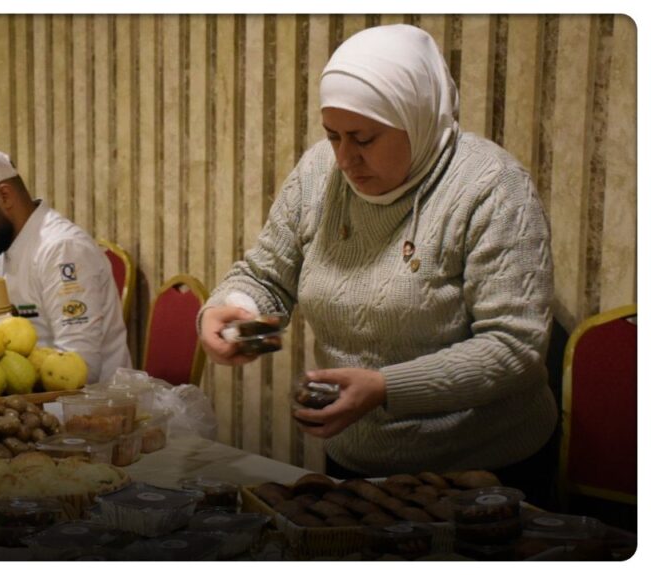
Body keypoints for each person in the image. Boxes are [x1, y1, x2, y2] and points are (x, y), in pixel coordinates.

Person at [198, 25, 558, 488]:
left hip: (483, 466)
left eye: (364, 139)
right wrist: (235, 312)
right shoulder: (318, 172)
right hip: (356, 456)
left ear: (417, 119)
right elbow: (267, 276)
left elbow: (516, 347)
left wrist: (386, 388)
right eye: (333, 136)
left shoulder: (493, 187)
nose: (345, 159)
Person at [0, 147, 131, 384]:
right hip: (27, 400)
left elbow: (81, 368)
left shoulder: (62, 250)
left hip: (88, 408)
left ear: (5, 196)